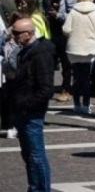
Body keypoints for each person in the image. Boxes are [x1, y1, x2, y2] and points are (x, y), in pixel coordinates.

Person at [8, 16, 55, 192]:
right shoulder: (25, 51)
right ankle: (34, 187)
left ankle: (42, 189)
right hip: (23, 109)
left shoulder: (41, 53)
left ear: (28, 33)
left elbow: (45, 89)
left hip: (32, 111)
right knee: (28, 154)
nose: (13, 36)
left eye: (17, 33)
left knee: (36, 155)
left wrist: (26, 104)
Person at [61, 0, 95, 115]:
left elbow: (66, 30)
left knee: (76, 78)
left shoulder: (73, 12)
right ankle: (86, 104)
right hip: (89, 48)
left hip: (74, 49)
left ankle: (76, 104)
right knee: (86, 78)